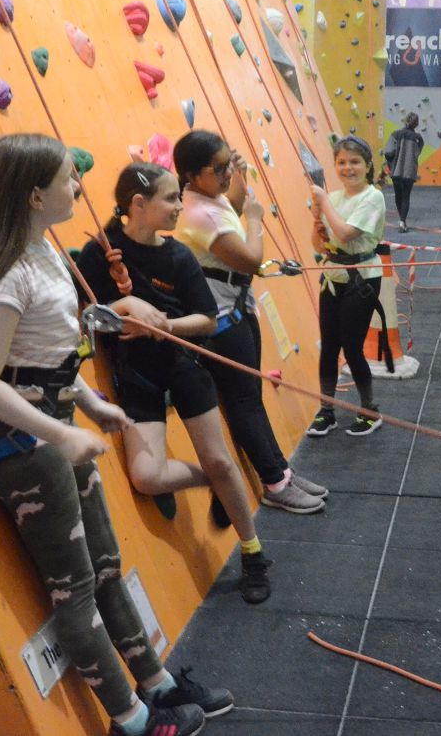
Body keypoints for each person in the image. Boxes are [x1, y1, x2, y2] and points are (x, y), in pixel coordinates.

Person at [0, 134, 229, 736]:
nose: (79, 186)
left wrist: (88, 403)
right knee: (75, 587)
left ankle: (156, 685)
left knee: (106, 564)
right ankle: (131, 720)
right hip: (26, 441)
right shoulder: (8, 277)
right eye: (67, 179)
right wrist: (60, 436)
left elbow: (47, 354)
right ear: (35, 196)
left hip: (54, 422)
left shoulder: (45, 253)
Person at [75, 161, 274, 604]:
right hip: (136, 373)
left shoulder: (178, 256)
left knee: (220, 459)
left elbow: (206, 320)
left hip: (182, 363)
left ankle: (253, 552)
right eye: (171, 198)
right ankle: (213, 482)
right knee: (147, 476)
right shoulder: (99, 252)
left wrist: (163, 325)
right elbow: (83, 314)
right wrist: (125, 305)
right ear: (138, 204)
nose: (179, 206)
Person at [172, 130, 328, 514]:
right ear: (192, 175)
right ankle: (275, 482)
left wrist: (238, 177)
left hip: (236, 308)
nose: (226, 174)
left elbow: (233, 206)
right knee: (244, 401)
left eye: (228, 164)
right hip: (223, 320)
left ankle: (281, 471)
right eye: (219, 168)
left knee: (251, 398)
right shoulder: (199, 214)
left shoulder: (209, 200)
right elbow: (251, 259)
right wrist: (256, 220)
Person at [306, 136, 387, 438]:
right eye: (341, 162)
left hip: (362, 278)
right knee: (329, 345)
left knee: (352, 347)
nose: (347, 168)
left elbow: (346, 233)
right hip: (334, 276)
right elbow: (322, 245)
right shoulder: (335, 198)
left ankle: (369, 410)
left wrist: (324, 203)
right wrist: (317, 222)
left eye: (355, 162)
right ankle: (326, 410)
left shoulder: (372, 197)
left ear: (367, 165)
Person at [382, 112, 425, 233]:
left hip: (396, 170)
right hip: (410, 171)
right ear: (416, 124)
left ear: (405, 121)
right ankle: (402, 221)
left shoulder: (396, 134)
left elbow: (388, 152)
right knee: (406, 196)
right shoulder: (418, 138)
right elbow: (417, 153)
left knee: (398, 195)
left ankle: (401, 220)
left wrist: (390, 163)